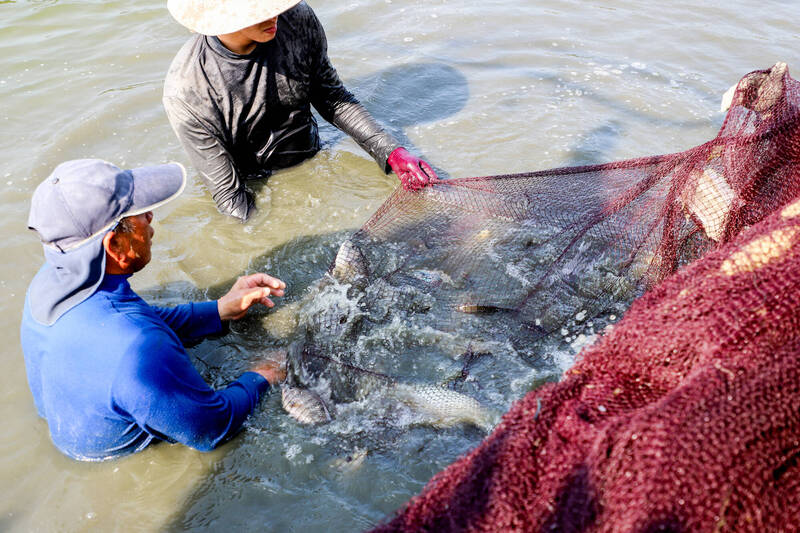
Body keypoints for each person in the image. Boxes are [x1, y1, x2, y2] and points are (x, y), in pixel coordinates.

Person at [20, 159, 288, 461]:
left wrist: (218, 310)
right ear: (116, 246)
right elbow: (212, 427)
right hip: (124, 463)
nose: (150, 217)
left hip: (76, 426)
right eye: (138, 215)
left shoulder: (49, 281)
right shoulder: (137, 346)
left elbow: (134, 321)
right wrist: (264, 374)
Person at [164, 0, 438, 222]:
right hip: (256, 182)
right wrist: (263, 238)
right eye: (260, 10)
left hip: (314, 155)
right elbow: (230, 199)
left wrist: (391, 151)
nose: (275, 15)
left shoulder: (296, 19)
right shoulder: (188, 91)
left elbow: (333, 98)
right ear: (221, 17)